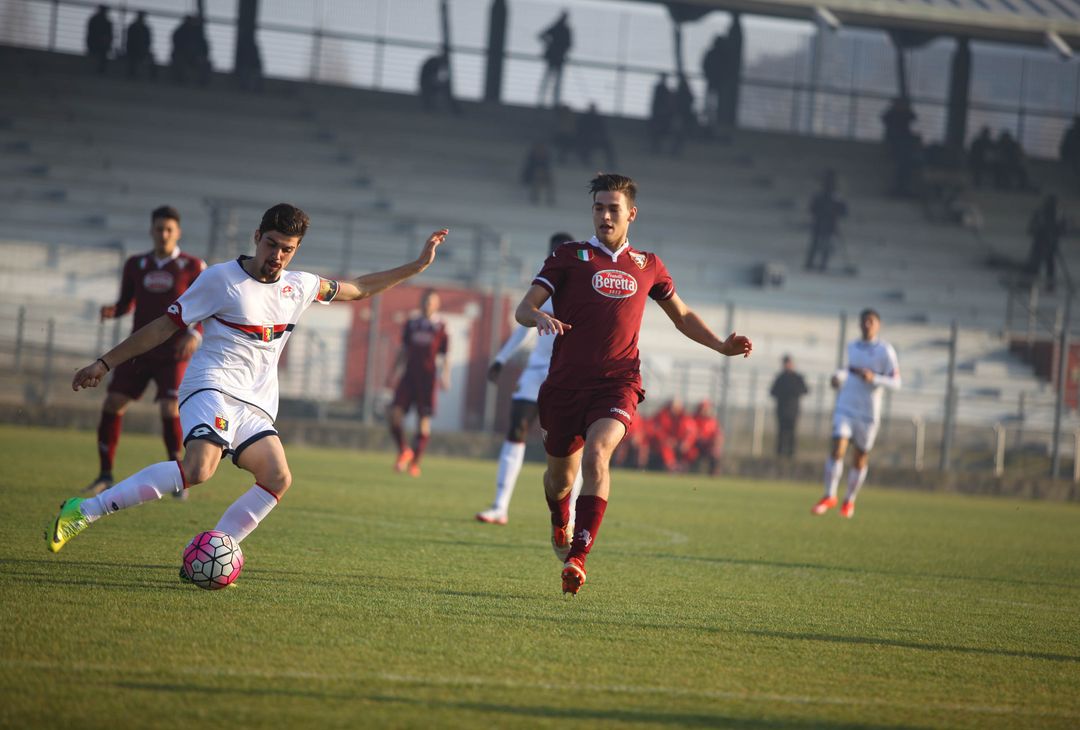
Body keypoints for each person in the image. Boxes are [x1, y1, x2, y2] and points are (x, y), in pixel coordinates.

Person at [48, 204, 449, 565]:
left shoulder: (301, 286)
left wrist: (417, 266)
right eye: (271, 244)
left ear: (296, 250)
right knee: (199, 468)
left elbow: (359, 288)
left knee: (277, 478)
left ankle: (212, 551)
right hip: (211, 388)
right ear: (257, 237)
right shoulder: (219, 279)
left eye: (287, 249)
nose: (277, 256)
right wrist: (104, 363)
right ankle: (84, 511)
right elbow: (160, 328)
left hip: (256, 405)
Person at [515, 173, 753, 594]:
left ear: (631, 214)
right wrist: (538, 317)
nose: (605, 216)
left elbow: (681, 315)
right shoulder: (568, 256)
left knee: (599, 455)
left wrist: (720, 344)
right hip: (565, 386)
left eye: (613, 208)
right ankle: (559, 517)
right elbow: (523, 308)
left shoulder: (649, 265)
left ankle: (578, 557)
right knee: (560, 481)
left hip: (617, 383)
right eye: (598, 208)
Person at [83, 206, 206, 497]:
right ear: (151, 230)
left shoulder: (192, 266)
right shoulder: (136, 264)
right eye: (159, 229)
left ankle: (178, 475)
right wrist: (113, 310)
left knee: (169, 407)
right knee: (113, 402)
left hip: (173, 352)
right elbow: (127, 303)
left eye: (169, 230)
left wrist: (194, 333)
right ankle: (105, 474)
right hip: (139, 349)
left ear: (178, 233)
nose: (163, 234)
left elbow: (205, 306)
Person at [476, 233, 582, 525]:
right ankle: (500, 506)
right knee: (516, 427)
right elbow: (524, 327)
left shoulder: (582, 286)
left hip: (568, 376)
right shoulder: (544, 284)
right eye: (553, 252)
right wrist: (501, 358)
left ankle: (571, 514)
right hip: (536, 372)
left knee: (574, 445)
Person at [812, 309, 900, 519]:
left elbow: (896, 382)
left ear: (878, 325)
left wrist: (875, 378)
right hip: (846, 407)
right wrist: (837, 378)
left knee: (860, 458)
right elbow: (846, 371)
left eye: (871, 321)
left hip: (868, 413)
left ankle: (849, 499)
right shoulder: (852, 347)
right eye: (864, 321)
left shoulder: (885, 351)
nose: (867, 325)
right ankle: (829, 495)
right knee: (837, 447)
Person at [387, 289, 450, 478]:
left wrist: (445, 375)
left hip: (428, 379)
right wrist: (393, 373)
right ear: (420, 302)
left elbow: (445, 354)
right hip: (409, 376)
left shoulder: (441, 326)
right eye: (425, 301)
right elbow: (403, 350)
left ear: (437, 305)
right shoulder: (412, 324)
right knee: (394, 415)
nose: (428, 304)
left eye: (431, 302)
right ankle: (404, 450)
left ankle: (415, 463)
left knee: (423, 423)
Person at [804, 169, 848, 272]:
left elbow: (843, 211)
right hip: (821, 222)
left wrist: (834, 212)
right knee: (816, 243)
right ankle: (812, 263)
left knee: (824, 244)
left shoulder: (836, 197)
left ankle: (820, 264)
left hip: (829, 223)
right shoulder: (822, 195)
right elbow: (813, 208)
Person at [1026, 195, 1067, 293]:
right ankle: (1030, 284)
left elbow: (1061, 229)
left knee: (1049, 265)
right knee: (1035, 265)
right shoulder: (1041, 214)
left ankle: (1049, 286)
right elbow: (1031, 228)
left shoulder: (1057, 215)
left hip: (1050, 244)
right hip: (1040, 243)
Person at [769, 355, 808, 458]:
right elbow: (773, 392)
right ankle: (779, 454)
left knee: (792, 432)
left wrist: (792, 392)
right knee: (781, 432)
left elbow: (805, 390)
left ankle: (791, 454)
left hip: (793, 410)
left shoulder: (797, 378)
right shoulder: (780, 378)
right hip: (781, 410)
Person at [537, 11, 572, 108]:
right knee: (554, 81)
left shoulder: (557, 27)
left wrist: (549, 43)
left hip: (554, 58)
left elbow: (541, 35)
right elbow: (569, 44)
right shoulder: (564, 29)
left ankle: (542, 101)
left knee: (549, 80)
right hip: (558, 59)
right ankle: (552, 102)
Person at [576, 103, 616, 169]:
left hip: (595, 139)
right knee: (584, 146)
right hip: (585, 139)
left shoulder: (598, 119)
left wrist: (599, 137)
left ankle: (611, 164)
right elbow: (579, 130)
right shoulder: (584, 118)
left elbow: (602, 130)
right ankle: (586, 161)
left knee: (607, 145)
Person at [521, 141, 555, 206]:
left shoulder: (546, 159)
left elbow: (547, 169)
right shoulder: (531, 159)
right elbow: (528, 171)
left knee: (550, 179)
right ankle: (535, 196)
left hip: (543, 176)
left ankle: (550, 198)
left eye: (542, 149)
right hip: (531, 177)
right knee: (537, 175)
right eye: (539, 149)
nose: (541, 151)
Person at [647, 74, 674, 154]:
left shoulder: (659, 88)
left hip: (658, 112)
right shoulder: (664, 89)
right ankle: (657, 148)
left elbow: (655, 101)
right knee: (659, 131)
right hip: (661, 113)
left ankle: (656, 148)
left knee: (656, 131)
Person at [125, 11, 155, 80]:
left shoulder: (143, 28)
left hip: (141, 50)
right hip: (133, 50)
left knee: (150, 60)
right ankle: (132, 74)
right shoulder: (135, 27)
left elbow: (148, 41)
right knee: (133, 60)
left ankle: (151, 77)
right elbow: (130, 41)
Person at [86, 5, 113, 75]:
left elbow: (109, 35)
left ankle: (100, 70)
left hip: (98, 44)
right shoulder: (106, 22)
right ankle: (100, 70)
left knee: (100, 56)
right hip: (97, 44)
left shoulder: (95, 20)